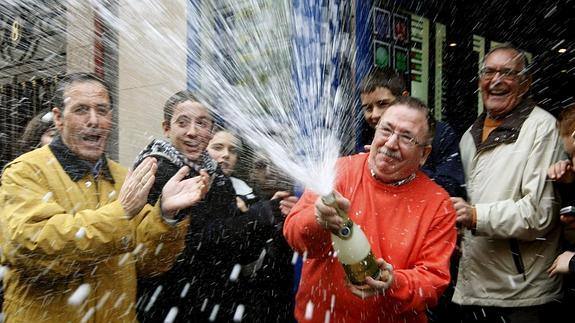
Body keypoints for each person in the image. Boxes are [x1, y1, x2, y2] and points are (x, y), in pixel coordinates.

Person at [0, 72, 208, 322]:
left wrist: (166, 216)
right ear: (58, 118)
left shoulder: (123, 177)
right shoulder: (25, 172)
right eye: (81, 110)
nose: (94, 120)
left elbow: (149, 263)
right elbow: (33, 251)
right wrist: (120, 214)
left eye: (102, 110)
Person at [284, 96, 457, 322]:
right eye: (386, 130)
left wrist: (394, 283)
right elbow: (295, 238)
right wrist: (317, 219)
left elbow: (433, 282)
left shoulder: (439, 204)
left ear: (424, 154)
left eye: (406, 137)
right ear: (375, 133)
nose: (391, 143)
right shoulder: (337, 171)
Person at [137, 91, 297, 322]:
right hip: (170, 306)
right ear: (166, 128)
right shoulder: (155, 172)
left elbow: (238, 251)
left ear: (210, 130)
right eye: (182, 123)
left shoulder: (218, 177)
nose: (193, 131)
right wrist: (260, 215)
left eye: (201, 123)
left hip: (214, 303)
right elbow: (196, 246)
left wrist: (273, 214)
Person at [451, 46, 563, 322]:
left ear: (526, 84)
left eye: (507, 73)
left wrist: (475, 216)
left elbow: (539, 214)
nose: (496, 80)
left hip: (521, 297)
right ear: (480, 82)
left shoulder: (542, 128)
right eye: (488, 72)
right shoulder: (469, 136)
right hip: (472, 291)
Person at [359, 68, 465, 198]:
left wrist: (406, 165)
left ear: (404, 98)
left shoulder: (440, 134)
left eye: (382, 104)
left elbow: (452, 188)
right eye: (368, 108)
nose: (375, 114)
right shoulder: (365, 137)